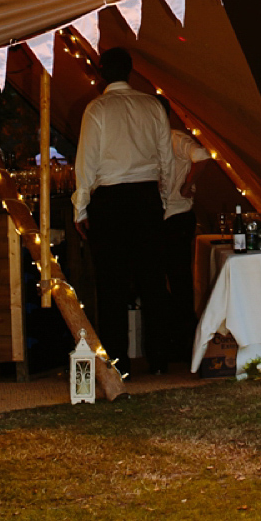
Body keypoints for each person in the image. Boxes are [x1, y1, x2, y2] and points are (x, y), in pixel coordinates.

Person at [75, 48, 181, 375]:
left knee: (112, 284)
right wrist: (160, 196)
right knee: (152, 281)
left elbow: (87, 162)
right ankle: (159, 358)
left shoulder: (97, 109)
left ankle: (118, 363)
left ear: (102, 72)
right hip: (146, 196)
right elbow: (167, 158)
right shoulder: (152, 105)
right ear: (131, 70)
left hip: (110, 201)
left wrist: (80, 208)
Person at [158, 96, 209, 362]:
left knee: (179, 281)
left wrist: (189, 184)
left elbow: (202, 156)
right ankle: (170, 340)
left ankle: (185, 342)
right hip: (157, 218)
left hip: (177, 215)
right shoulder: (148, 142)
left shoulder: (175, 138)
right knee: (162, 281)